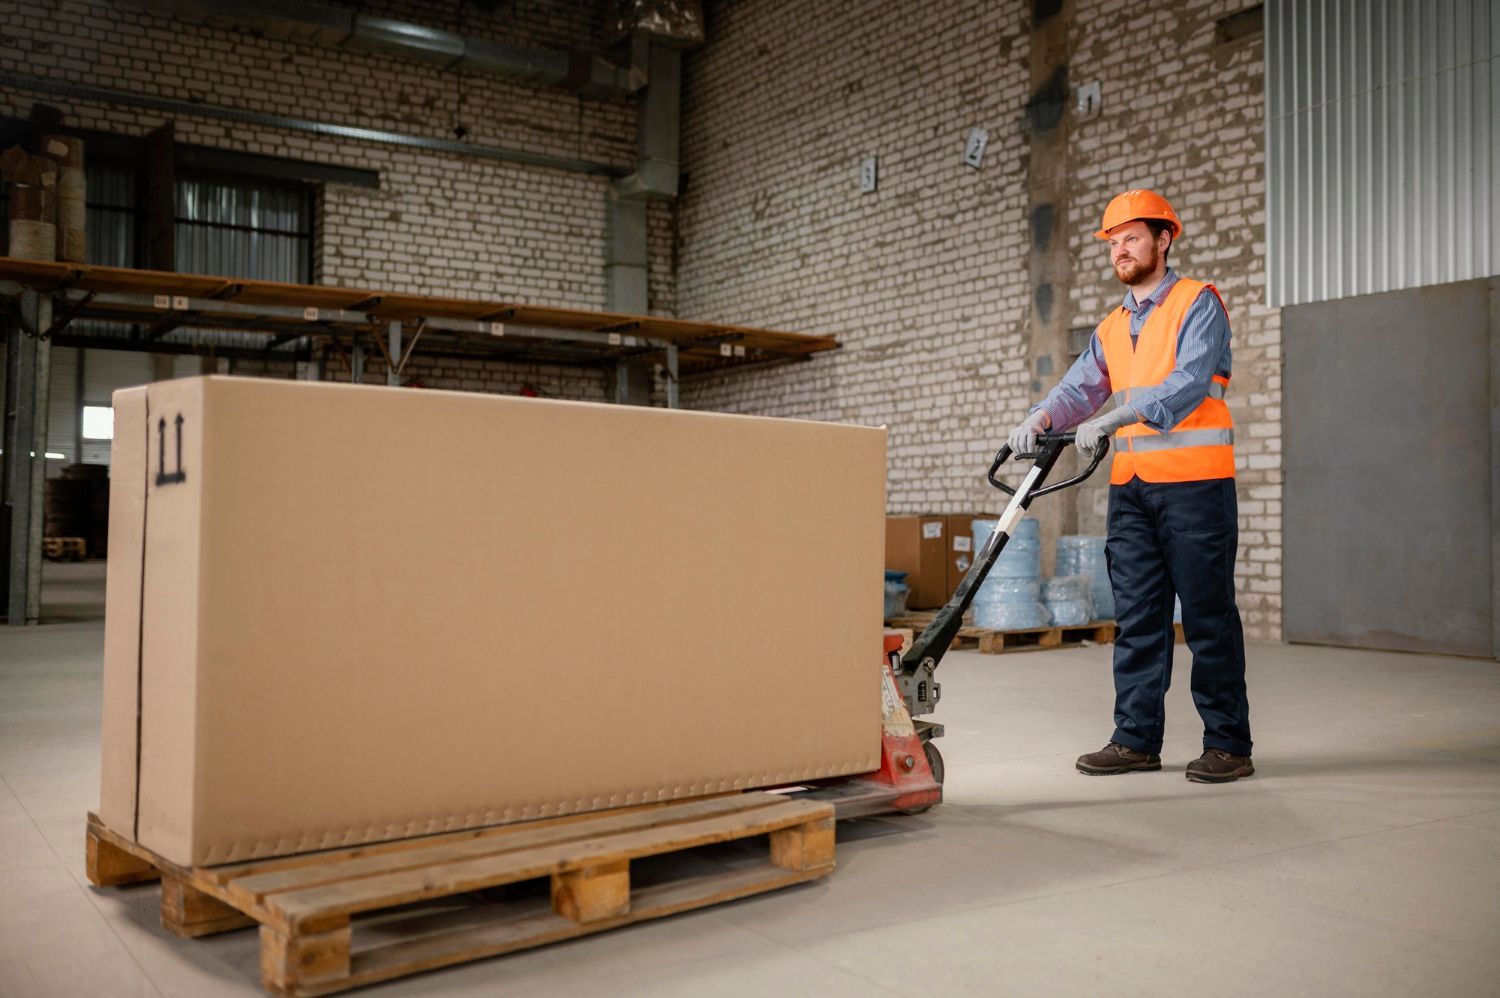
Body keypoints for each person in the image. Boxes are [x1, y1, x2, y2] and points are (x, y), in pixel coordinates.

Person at [1006, 189, 1253, 783]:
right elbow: (1079, 389)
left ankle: (1228, 744)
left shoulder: (1200, 304)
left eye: (1131, 239)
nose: (1120, 250)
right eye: (1113, 243)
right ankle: (1135, 739)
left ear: (1164, 240)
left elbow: (1191, 381)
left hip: (1196, 488)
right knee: (1139, 617)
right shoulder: (1113, 326)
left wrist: (1118, 417)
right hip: (1134, 491)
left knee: (1207, 617)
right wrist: (1041, 418)